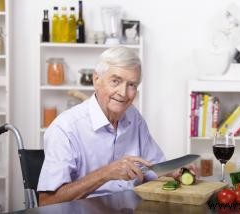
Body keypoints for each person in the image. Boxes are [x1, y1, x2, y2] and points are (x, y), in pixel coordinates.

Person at [37, 47, 166, 206]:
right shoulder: (65, 129)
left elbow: (156, 169)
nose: (123, 93)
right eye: (115, 81)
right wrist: (105, 173)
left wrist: (174, 172)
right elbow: (47, 202)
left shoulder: (135, 118)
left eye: (131, 85)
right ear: (96, 80)